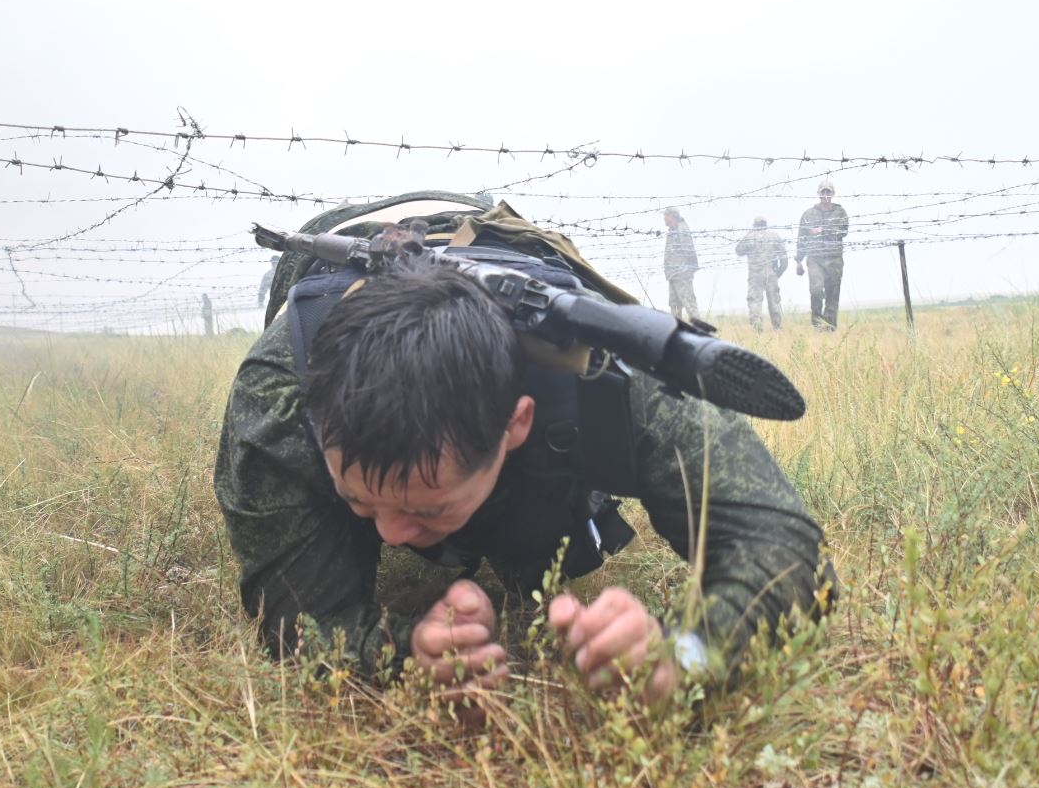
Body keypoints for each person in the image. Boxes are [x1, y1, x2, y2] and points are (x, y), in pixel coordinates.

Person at [215, 197, 832, 719]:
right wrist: (404, 654)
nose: (392, 533)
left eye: (427, 507)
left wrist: (688, 654)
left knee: (530, 546)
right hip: (354, 237)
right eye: (358, 500)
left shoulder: (615, 373)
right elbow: (297, 627)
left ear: (517, 425)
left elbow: (786, 555)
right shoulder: (278, 399)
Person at [794, 180, 849, 330]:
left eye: (828, 192)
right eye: (823, 192)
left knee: (832, 295)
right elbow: (802, 238)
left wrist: (822, 230)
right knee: (816, 291)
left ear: (833, 193)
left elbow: (843, 231)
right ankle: (817, 326)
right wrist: (799, 260)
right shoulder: (808, 214)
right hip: (815, 259)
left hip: (834, 258)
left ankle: (830, 329)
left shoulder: (840, 212)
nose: (825, 195)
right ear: (818, 193)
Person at [734, 216, 788, 331]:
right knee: (774, 301)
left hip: (755, 274)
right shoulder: (774, 236)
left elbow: (738, 251)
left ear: (754, 225)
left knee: (755, 301)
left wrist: (749, 234)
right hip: (771, 272)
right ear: (766, 224)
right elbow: (784, 259)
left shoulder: (750, 237)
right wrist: (779, 272)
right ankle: (777, 328)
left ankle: (757, 328)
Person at [661, 207, 699, 320]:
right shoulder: (673, 230)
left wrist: (689, 268)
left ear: (672, 216)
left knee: (689, 304)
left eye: (665, 216)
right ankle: (677, 333)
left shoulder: (681, 230)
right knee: (674, 306)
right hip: (674, 274)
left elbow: (689, 250)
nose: (664, 218)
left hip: (682, 274)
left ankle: (701, 331)